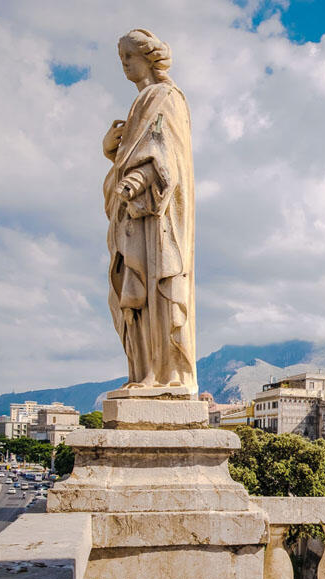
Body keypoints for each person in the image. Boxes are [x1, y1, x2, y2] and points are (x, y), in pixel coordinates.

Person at [102, 28, 196, 391]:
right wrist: (111, 151)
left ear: (147, 57)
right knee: (136, 297)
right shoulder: (142, 102)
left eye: (129, 56)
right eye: (121, 57)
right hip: (134, 216)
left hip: (159, 217)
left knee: (159, 287)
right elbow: (135, 155)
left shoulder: (164, 97)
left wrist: (137, 181)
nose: (124, 64)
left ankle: (168, 373)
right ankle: (144, 373)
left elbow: (163, 152)